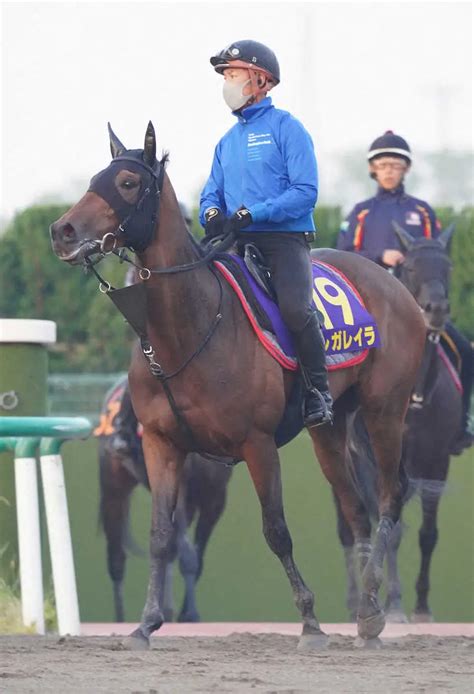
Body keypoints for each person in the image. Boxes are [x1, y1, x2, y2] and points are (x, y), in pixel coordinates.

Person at [200, 39, 333, 428]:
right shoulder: (226, 142)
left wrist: (254, 212)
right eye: (225, 75)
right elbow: (212, 190)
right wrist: (209, 210)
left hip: (283, 241)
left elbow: (305, 192)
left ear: (261, 80)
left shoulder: (287, 128)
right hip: (237, 241)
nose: (227, 82)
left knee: (295, 309)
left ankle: (317, 391)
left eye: (233, 74)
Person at [337, 130, 473, 453]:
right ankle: (336, 421)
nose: (388, 170)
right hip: (369, 308)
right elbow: (342, 256)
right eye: (382, 165)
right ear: (373, 170)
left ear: (406, 169)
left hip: (417, 310)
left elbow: (437, 257)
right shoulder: (361, 213)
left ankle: (462, 423)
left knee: (466, 352)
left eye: (395, 165)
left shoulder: (423, 213)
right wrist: (379, 257)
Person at [111, 201, 194, 454]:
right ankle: (123, 430)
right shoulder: (140, 263)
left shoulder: (196, 257)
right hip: (155, 336)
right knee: (136, 376)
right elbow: (132, 304)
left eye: (186, 225)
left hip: (192, 336)